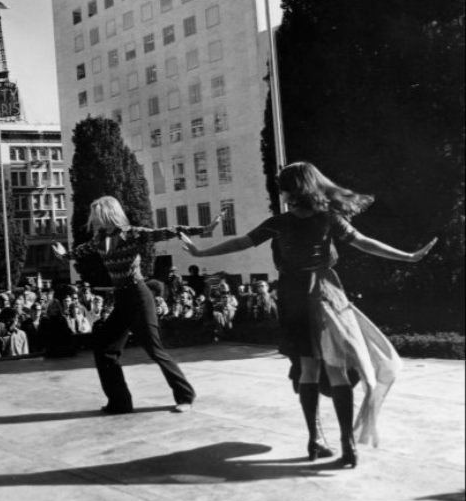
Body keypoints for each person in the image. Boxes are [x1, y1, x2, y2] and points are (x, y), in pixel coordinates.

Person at [181, 162, 436, 467]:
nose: (282, 193)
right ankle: (348, 444)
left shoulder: (280, 222)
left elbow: (242, 242)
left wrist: (200, 253)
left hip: (295, 296)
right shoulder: (329, 219)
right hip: (328, 295)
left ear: (294, 189)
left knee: (308, 370)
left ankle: (314, 439)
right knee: (338, 369)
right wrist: (406, 256)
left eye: (284, 188)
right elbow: (364, 243)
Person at [57, 196, 218, 414]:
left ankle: (185, 395)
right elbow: (80, 251)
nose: (93, 221)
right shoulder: (99, 239)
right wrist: (64, 255)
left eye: (97, 216)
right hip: (122, 299)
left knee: (154, 349)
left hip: (139, 296)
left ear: (108, 215)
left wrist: (204, 228)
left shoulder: (132, 233)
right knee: (105, 348)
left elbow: (166, 231)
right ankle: (119, 402)